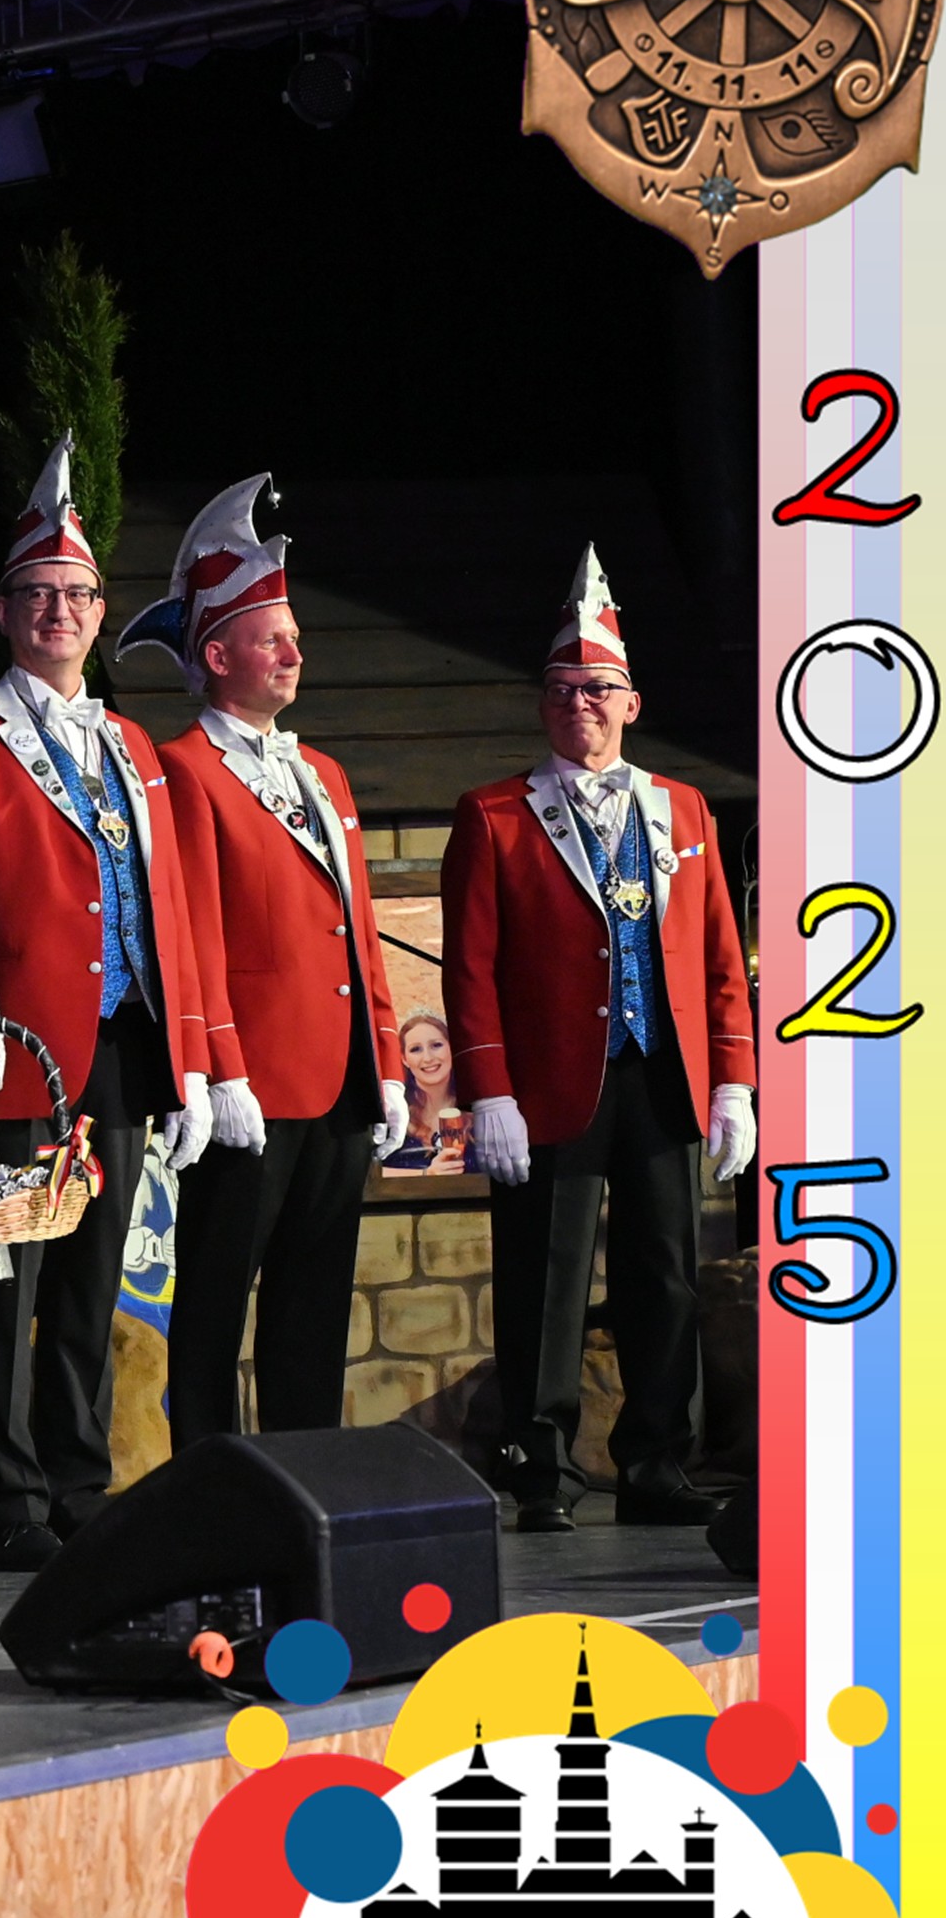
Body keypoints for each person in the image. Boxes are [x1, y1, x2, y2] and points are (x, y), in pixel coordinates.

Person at [0, 436, 224, 1571]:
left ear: (101, 615)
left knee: (93, 1277)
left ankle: (78, 1481)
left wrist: (191, 1055)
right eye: (38, 594)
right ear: (4, 613)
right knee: (6, 1282)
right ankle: (8, 1500)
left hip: (125, 1038)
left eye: (78, 594)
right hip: (10, 1043)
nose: (59, 610)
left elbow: (169, 899)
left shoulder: (132, 741)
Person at [443, 550, 754, 1531]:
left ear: (630, 703)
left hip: (661, 1072)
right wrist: (488, 1090)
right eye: (560, 690)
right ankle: (542, 1472)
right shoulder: (494, 814)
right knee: (546, 1278)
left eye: (595, 689)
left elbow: (718, 953)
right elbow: (469, 966)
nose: (577, 704)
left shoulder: (683, 808)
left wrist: (735, 1081)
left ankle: (657, 1463)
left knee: (665, 1273)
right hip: (550, 1084)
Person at [120, 478, 409, 1446]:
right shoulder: (183, 767)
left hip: (339, 1074)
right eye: (271, 638)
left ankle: (303, 1474)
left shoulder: (321, 770)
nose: (294, 652)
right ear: (216, 655)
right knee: (213, 1296)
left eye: (293, 636)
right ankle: (209, 1476)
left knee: (314, 1301)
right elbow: (193, 929)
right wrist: (219, 1067)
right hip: (252, 1080)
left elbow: (356, 927)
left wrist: (388, 1060)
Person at [387, 1011, 468, 1171]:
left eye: (436, 1045)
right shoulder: (395, 1113)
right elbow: (370, 1173)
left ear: (452, 1048)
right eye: (416, 1049)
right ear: (404, 1059)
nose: (428, 1058)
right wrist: (427, 1175)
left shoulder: (476, 1107)